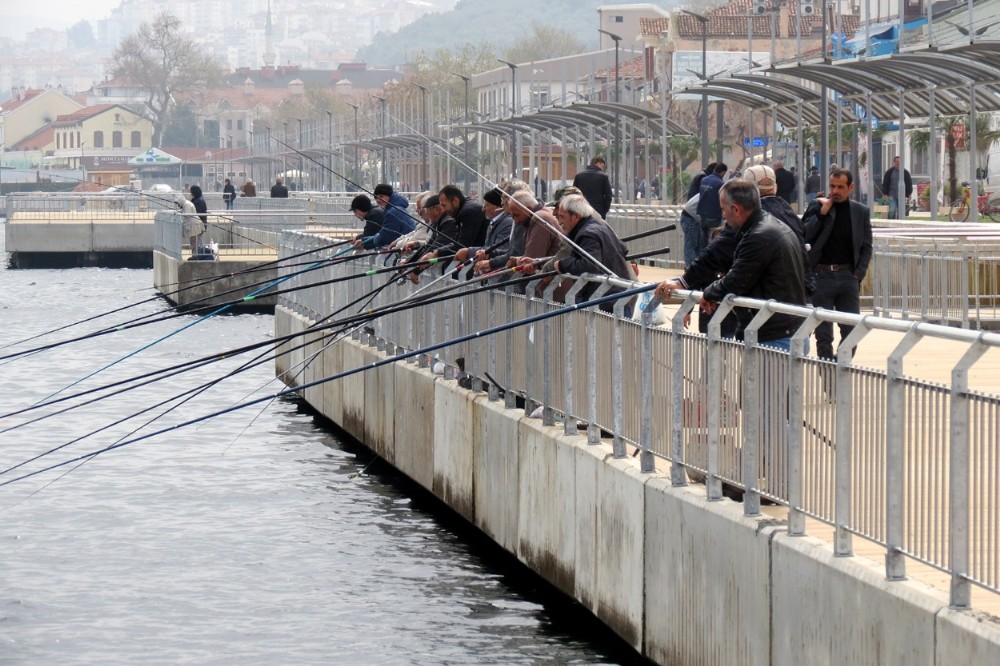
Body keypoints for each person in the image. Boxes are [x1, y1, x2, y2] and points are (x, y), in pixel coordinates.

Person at [693, 179, 806, 350]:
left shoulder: (758, 237)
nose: (723, 216)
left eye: (723, 210)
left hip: (774, 337)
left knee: (762, 378)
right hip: (785, 331)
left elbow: (736, 281)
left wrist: (708, 293)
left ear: (736, 209)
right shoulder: (771, 226)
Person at [802, 168, 874, 364]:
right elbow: (804, 235)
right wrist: (822, 215)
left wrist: (858, 274)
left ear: (851, 187)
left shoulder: (860, 212)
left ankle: (840, 366)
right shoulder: (817, 207)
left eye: (840, 187)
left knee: (851, 330)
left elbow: (867, 246)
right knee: (823, 334)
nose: (835, 191)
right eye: (832, 186)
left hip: (847, 278)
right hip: (821, 277)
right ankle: (829, 382)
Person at [545, 193, 635, 313]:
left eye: (562, 217)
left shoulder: (588, 233)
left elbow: (589, 264)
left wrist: (562, 265)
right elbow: (623, 249)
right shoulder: (599, 225)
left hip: (606, 303)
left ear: (575, 217)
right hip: (614, 298)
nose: (559, 221)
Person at [455, 187, 513, 270]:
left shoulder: (507, 223)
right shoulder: (493, 222)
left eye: (486, 205)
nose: (483, 209)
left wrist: (469, 251)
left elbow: (500, 250)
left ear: (498, 207)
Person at [354, 184, 415, 250]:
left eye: (381, 196)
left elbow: (386, 236)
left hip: (406, 247)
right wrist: (364, 240)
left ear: (389, 196)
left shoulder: (393, 212)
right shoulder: (395, 209)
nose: (378, 200)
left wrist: (365, 244)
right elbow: (384, 234)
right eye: (376, 197)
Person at [695, 162, 727, 231]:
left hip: (702, 214)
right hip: (714, 215)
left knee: (703, 239)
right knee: (714, 238)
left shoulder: (704, 180)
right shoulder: (720, 183)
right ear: (723, 172)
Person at [679, 192, 707, 267]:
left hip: (689, 217)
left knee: (695, 245)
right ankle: (691, 268)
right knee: (691, 245)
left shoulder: (706, 191)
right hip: (691, 219)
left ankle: (694, 267)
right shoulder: (715, 194)